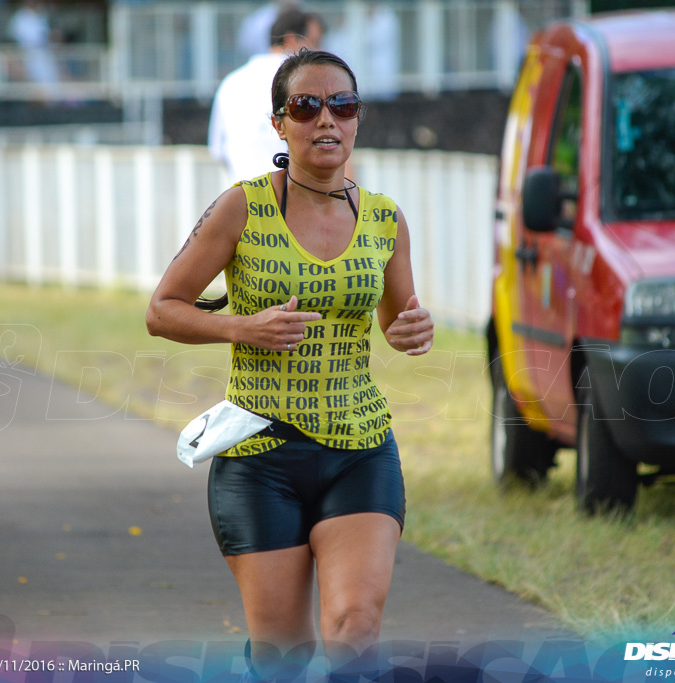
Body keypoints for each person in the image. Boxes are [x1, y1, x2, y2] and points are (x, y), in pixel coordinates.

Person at [147, 49, 434, 681]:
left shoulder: (384, 218)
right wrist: (241, 328)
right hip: (260, 457)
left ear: (358, 119)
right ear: (280, 124)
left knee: (354, 628)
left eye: (343, 105)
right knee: (284, 656)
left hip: (359, 447)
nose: (325, 120)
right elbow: (162, 310)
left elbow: (394, 323)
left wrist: (412, 329)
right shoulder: (241, 208)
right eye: (307, 107)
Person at [208, 8, 323, 185]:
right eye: (315, 43)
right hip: (295, 203)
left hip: (243, 202)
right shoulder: (306, 82)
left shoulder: (230, 83)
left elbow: (217, 151)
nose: (319, 51)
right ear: (291, 40)